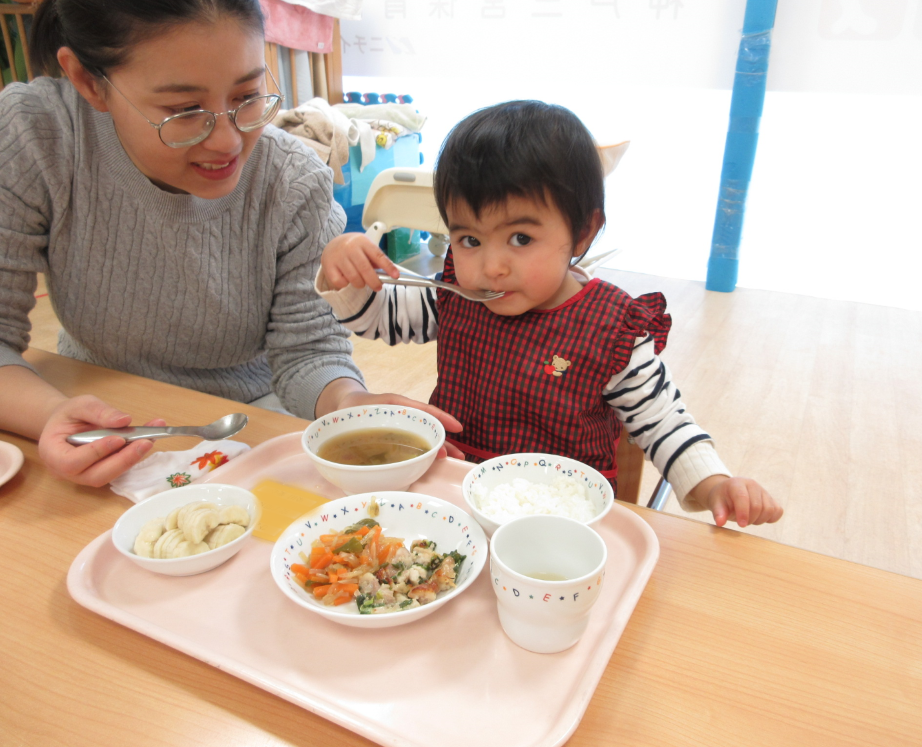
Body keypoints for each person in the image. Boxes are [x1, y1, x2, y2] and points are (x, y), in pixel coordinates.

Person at [0, 0, 458, 488]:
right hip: (94, 397)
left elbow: (308, 353)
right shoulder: (39, 134)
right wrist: (50, 414)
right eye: (184, 110)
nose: (227, 141)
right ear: (90, 83)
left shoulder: (292, 181)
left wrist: (347, 402)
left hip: (246, 416)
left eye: (248, 96)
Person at [318, 101, 783, 527]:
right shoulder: (459, 293)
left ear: (583, 233)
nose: (490, 268)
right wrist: (346, 277)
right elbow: (381, 320)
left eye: (520, 238)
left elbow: (663, 422)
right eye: (469, 240)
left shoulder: (611, 328)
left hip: (561, 519)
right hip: (455, 496)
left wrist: (716, 485)